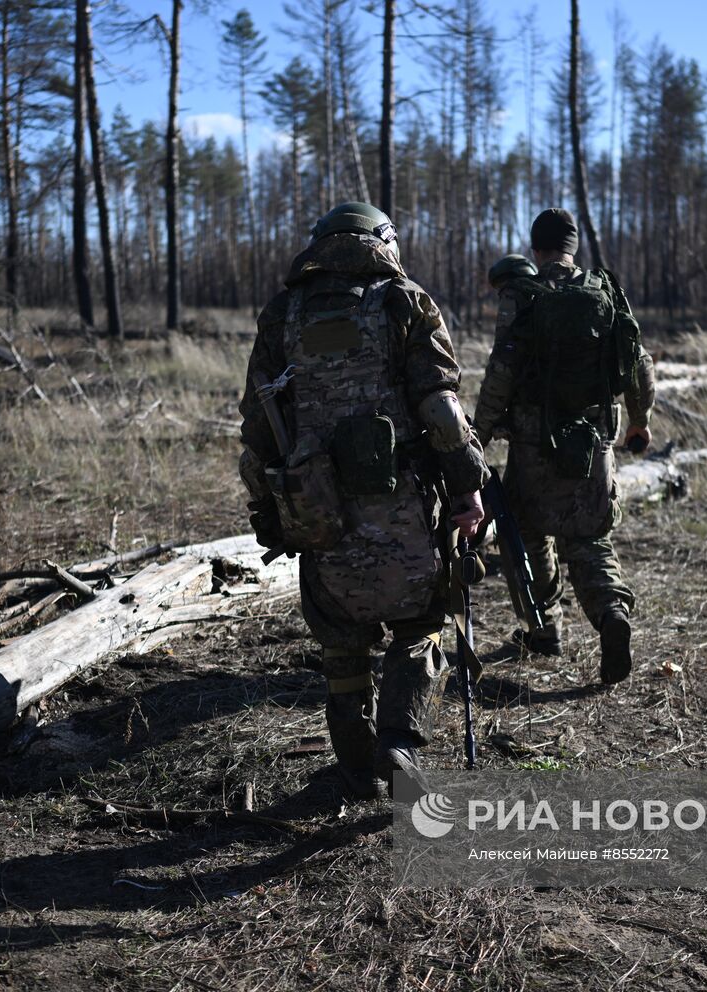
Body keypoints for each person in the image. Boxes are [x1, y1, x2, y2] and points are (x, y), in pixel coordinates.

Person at [238, 202, 488, 799]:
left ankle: (354, 765)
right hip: (400, 499)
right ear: (383, 241)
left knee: (339, 634)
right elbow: (440, 406)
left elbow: (256, 428)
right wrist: (467, 483)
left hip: (317, 505)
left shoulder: (284, 313)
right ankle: (399, 744)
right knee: (420, 623)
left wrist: (268, 510)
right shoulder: (404, 301)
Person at [473, 208, 656, 684]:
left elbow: (502, 370)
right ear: (573, 247)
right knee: (590, 539)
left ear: (535, 248)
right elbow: (639, 362)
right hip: (594, 444)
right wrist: (640, 421)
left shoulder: (525, 295)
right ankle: (612, 614)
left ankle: (543, 627)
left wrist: (482, 429)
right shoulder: (603, 292)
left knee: (528, 535)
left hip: (534, 447)